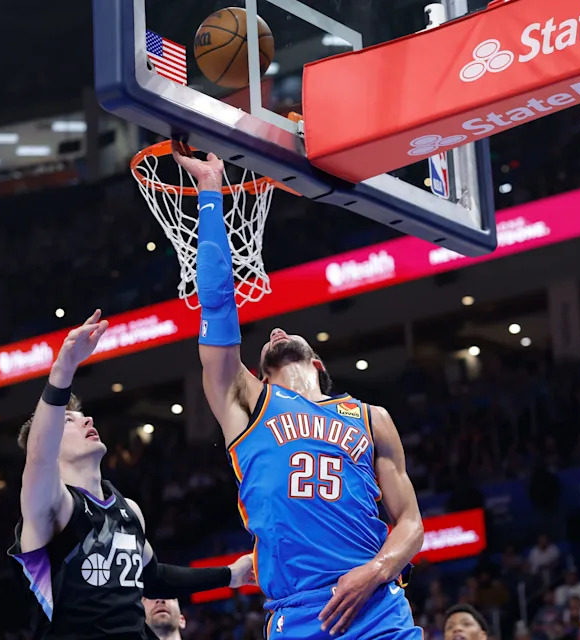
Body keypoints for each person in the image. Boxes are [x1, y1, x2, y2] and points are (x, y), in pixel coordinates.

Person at [172, 143, 424, 640]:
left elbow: (411, 524)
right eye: (268, 338)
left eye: (285, 336)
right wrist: (208, 193)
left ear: (319, 363)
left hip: (378, 607)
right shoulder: (246, 402)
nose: (275, 333)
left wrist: (376, 570)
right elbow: (220, 307)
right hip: (299, 614)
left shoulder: (371, 417)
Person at [8, 310, 255, 639]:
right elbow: (38, 456)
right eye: (69, 421)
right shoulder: (51, 506)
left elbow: (155, 578)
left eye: (82, 416)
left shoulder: (129, 510)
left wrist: (231, 575)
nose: (87, 420)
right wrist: (63, 367)